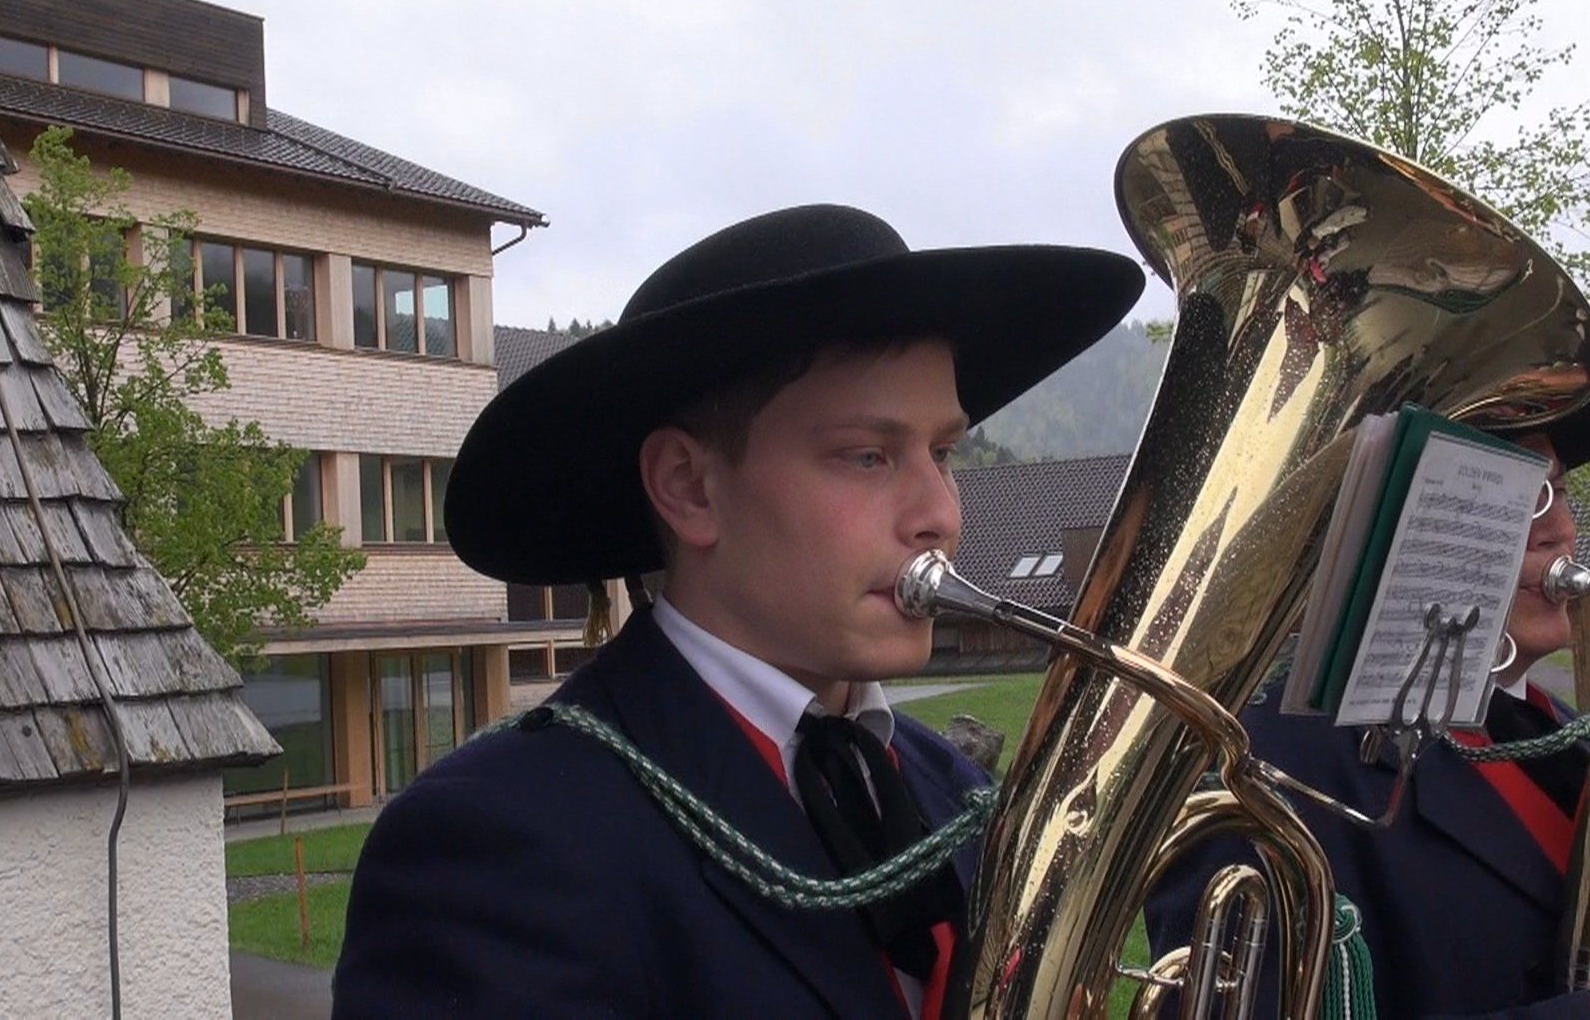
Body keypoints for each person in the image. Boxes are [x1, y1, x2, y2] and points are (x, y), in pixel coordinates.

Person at [330, 204, 1143, 1017]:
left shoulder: (961, 793)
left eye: (942, 453)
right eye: (868, 456)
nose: (941, 514)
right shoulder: (497, 843)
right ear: (689, 487)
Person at [1146, 384, 1590, 1018]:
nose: (1559, 530)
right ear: (1382, 525)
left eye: (1558, 492)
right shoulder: (1263, 771)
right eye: (1511, 497)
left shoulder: (1579, 742)